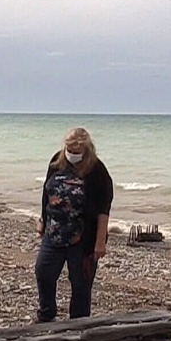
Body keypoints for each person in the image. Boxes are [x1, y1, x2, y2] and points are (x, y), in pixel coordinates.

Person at [35, 128, 114, 322]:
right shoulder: (57, 161)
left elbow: (104, 208)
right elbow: (47, 193)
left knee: (81, 283)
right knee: (43, 272)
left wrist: (100, 242)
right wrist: (43, 220)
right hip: (54, 232)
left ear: (87, 150)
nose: (72, 154)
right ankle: (46, 315)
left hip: (83, 237)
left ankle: (78, 321)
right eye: (70, 149)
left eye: (77, 152)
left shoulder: (97, 170)